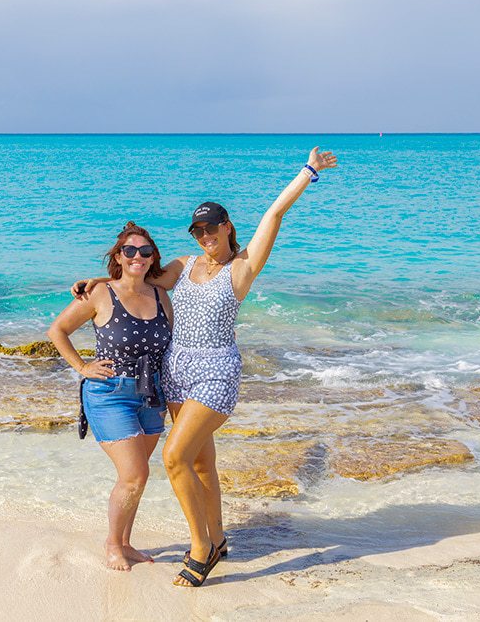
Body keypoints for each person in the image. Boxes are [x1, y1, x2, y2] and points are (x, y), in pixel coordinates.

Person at [72, 147, 338, 586]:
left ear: (227, 226)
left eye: (211, 227)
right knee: (199, 464)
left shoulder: (242, 268)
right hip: (175, 372)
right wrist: (97, 281)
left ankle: (202, 547)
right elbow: (134, 281)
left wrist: (307, 173)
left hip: (216, 372)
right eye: (198, 230)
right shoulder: (184, 265)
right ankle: (219, 535)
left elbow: (273, 216)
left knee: (174, 456)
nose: (204, 235)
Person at [47, 222, 174, 572]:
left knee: (138, 474)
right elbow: (57, 330)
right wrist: (82, 367)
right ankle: (112, 544)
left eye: (145, 251)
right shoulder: (100, 294)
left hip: (152, 393)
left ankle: (125, 542)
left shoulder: (161, 296)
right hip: (109, 394)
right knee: (134, 475)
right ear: (119, 256)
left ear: (152, 258)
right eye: (130, 251)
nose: (138, 256)